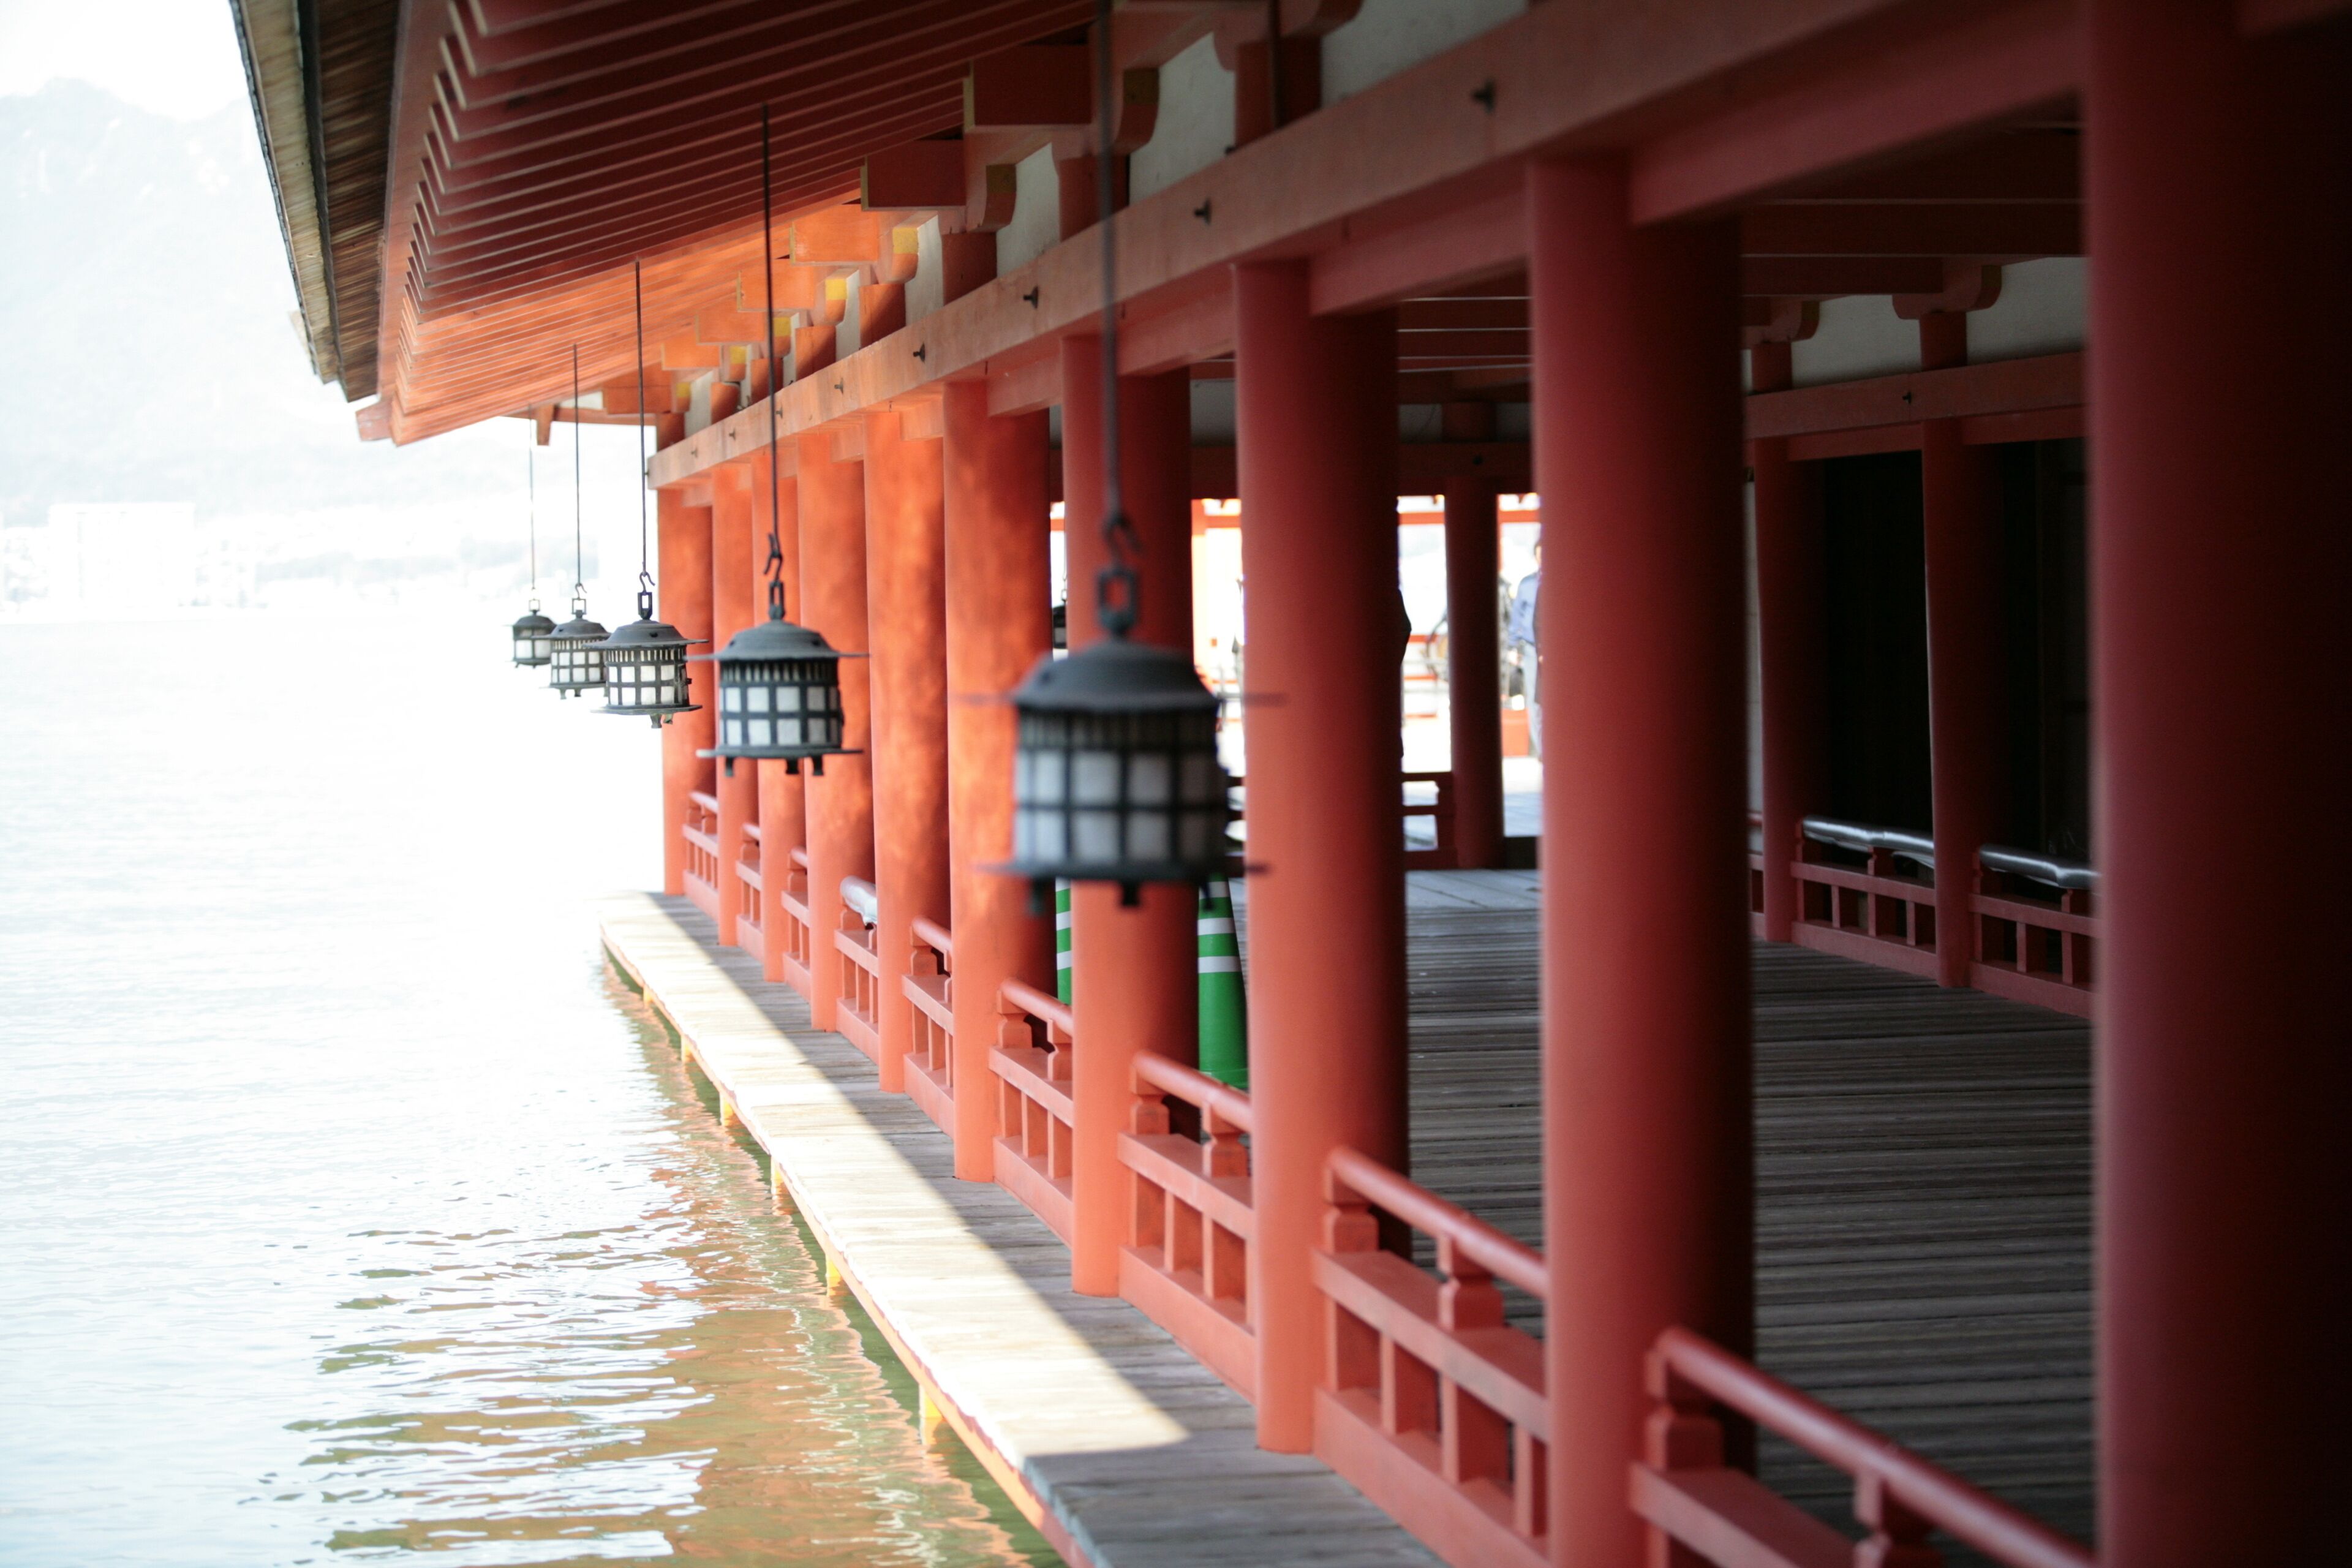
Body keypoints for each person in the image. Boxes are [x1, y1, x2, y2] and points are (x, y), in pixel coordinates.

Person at [1505, 540, 1541, 756]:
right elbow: (1517, 618)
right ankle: (1543, 751)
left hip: (1557, 649)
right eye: (1539, 554)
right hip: (1531, 647)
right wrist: (1512, 646)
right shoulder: (1527, 584)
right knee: (1534, 700)